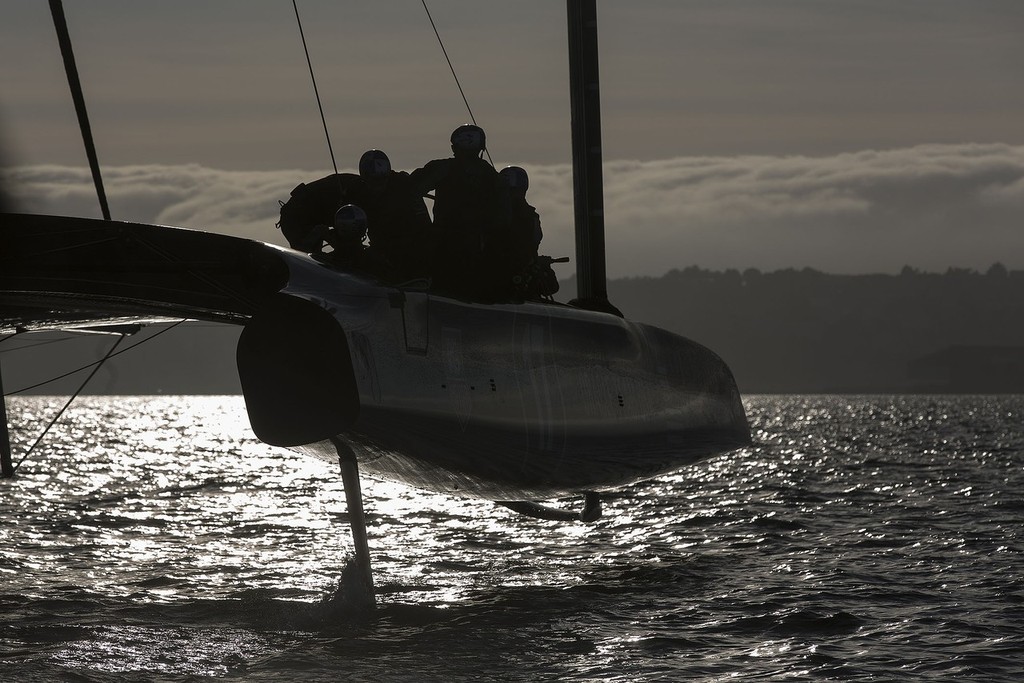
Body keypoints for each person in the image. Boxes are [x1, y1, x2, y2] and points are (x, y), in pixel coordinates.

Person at [410, 124, 510, 297]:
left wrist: (425, 227)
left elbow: (413, 192)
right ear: (482, 146)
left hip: (445, 246)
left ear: (453, 147)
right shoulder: (491, 176)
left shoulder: (443, 169)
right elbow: (503, 216)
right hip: (477, 248)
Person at [356, 149, 433, 281]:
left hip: (411, 253)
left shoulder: (406, 189)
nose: (377, 186)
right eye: (372, 181)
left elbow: (423, 226)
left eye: (381, 180)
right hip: (381, 251)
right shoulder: (360, 192)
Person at [277, 172, 366, 253]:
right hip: (296, 218)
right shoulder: (360, 194)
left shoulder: (358, 186)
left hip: (298, 214)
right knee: (306, 256)